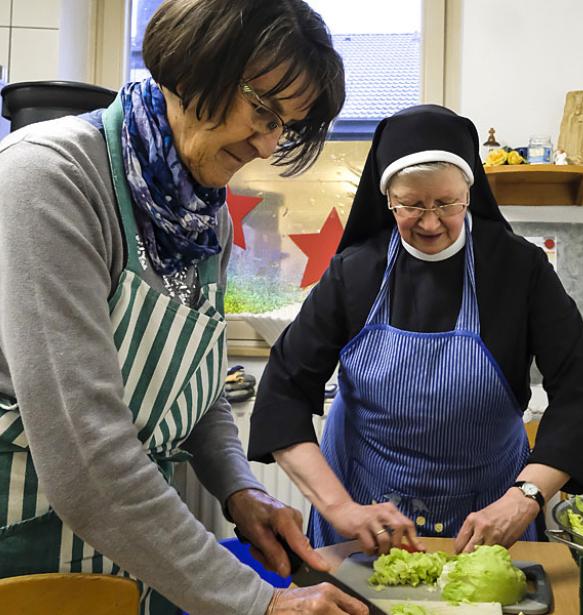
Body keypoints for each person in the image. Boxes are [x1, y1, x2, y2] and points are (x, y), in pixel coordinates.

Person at [0, 1, 367, 614]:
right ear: (196, 65)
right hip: (22, 560)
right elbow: (87, 461)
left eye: (284, 127)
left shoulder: (203, 216)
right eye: (264, 111)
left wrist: (240, 490)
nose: (267, 144)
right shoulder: (50, 179)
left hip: (140, 558)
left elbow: (195, 387)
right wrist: (265, 604)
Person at [248, 104, 583, 555]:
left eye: (446, 203)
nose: (430, 222)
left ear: (469, 192)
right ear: (387, 198)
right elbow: (283, 390)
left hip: (490, 510)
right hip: (366, 514)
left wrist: (526, 497)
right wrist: (339, 507)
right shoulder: (354, 272)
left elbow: (581, 393)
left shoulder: (519, 268)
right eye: (411, 205)